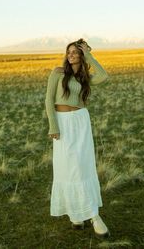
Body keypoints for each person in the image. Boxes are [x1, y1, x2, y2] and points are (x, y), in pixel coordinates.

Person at [45, 38, 111, 239]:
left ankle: (93, 216)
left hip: (81, 122)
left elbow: (104, 76)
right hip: (63, 123)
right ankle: (76, 213)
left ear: (81, 55)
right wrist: (53, 125)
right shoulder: (58, 72)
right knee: (68, 167)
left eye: (76, 52)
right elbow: (48, 99)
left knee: (83, 166)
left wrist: (89, 55)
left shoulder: (85, 77)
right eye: (69, 51)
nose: (71, 54)